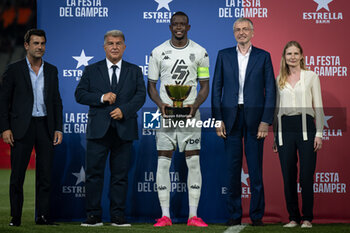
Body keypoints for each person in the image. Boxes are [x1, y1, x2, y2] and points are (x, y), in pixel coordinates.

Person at [75, 30, 146, 227]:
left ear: (124, 47)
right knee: (94, 175)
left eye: (118, 43)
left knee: (120, 176)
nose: (114, 47)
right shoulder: (91, 70)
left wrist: (124, 110)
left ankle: (117, 216)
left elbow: (140, 96)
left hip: (124, 130)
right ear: (104, 47)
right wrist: (101, 98)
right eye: (111, 43)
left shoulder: (135, 71)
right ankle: (93, 216)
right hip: (98, 131)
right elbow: (79, 94)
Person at [211, 18, 276, 226]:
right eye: (237, 30)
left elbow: (271, 91)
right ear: (234, 33)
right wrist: (218, 119)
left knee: (255, 171)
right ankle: (234, 215)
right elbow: (216, 89)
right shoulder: (223, 55)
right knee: (232, 171)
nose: (241, 33)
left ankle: (257, 216)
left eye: (245, 29)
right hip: (230, 119)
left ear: (252, 32)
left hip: (255, 120)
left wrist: (266, 121)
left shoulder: (264, 57)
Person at [148, 11, 209, 227]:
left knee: (193, 162)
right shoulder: (157, 52)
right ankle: (165, 215)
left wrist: (195, 106)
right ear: (170, 26)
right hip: (165, 116)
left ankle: (193, 216)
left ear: (189, 27)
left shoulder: (200, 52)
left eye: (183, 24)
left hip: (191, 116)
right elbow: (152, 86)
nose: (179, 27)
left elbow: (204, 87)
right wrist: (160, 104)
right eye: (175, 24)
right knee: (162, 162)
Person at [0, 29, 63, 226]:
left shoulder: (51, 70)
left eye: (42, 43)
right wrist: (5, 128)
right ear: (26, 45)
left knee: (45, 175)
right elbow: (3, 101)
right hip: (21, 128)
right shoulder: (13, 69)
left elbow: (56, 102)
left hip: (45, 126)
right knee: (17, 175)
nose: (40, 47)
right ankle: (16, 217)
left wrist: (58, 128)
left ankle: (42, 216)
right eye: (35, 43)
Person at [273, 41, 324, 228]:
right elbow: (277, 109)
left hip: (306, 127)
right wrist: (275, 136)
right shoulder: (280, 78)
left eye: (296, 53)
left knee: (305, 176)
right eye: (289, 54)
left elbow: (318, 106)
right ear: (284, 57)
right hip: (285, 128)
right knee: (288, 175)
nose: (292, 57)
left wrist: (319, 133)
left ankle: (307, 218)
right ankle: (293, 217)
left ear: (302, 56)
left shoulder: (311, 76)